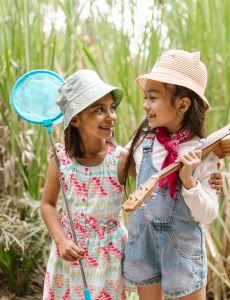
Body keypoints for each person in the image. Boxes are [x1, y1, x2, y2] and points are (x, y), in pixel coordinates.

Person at [123, 49, 220, 300]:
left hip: (182, 254)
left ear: (183, 104)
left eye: (153, 98)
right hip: (144, 248)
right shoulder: (142, 143)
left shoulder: (205, 152)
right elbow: (114, 165)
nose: (145, 105)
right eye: (145, 97)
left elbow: (207, 214)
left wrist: (189, 181)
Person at [40, 70, 129, 299]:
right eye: (99, 109)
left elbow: (159, 180)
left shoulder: (121, 160)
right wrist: (61, 240)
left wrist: (206, 176)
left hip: (108, 259)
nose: (110, 116)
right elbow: (48, 204)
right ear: (76, 119)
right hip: (69, 258)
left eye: (112, 108)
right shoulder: (60, 160)